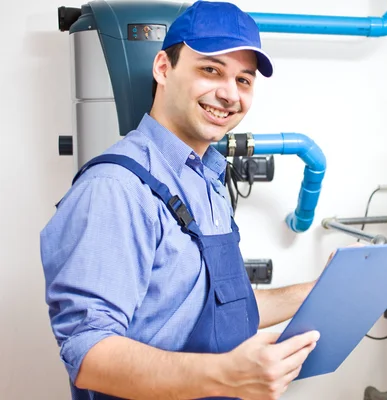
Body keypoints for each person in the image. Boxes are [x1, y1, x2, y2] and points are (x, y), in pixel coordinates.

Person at [40, 2, 322, 399]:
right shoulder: (115, 188)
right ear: (162, 68)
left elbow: (228, 307)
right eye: (211, 70)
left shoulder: (207, 177)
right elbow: (88, 353)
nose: (229, 94)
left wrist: (318, 290)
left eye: (244, 80)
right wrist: (226, 375)